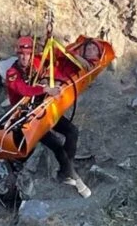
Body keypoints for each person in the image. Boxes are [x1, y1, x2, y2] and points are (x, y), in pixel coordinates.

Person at [5, 36, 90, 197]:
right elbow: (23, 90)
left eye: (27, 54)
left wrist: (75, 57)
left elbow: (55, 55)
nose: (24, 57)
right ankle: (75, 179)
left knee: (72, 131)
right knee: (56, 145)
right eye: (21, 54)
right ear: (17, 54)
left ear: (31, 54)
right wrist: (45, 90)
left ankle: (66, 171)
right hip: (28, 117)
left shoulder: (36, 62)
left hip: (44, 108)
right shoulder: (12, 74)